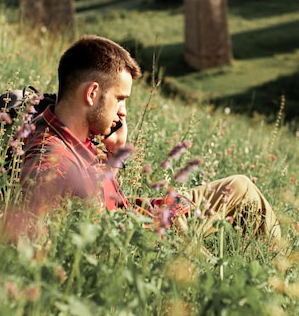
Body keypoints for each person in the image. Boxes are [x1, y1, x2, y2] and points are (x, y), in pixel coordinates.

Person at [20, 35, 280, 241]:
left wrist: (114, 156)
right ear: (92, 94)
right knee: (242, 195)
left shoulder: (74, 134)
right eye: (120, 99)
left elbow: (101, 200)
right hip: (144, 238)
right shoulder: (50, 162)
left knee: (239, 187)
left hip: (138, 216)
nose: (123, 111)